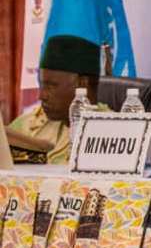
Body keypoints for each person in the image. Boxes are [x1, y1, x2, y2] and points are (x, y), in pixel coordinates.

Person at [7, 35, 108, 164]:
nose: (42, 96)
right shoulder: (31, 123)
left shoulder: (111, 132)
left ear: (82, 83)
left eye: (51, 86)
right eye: (42, 85)